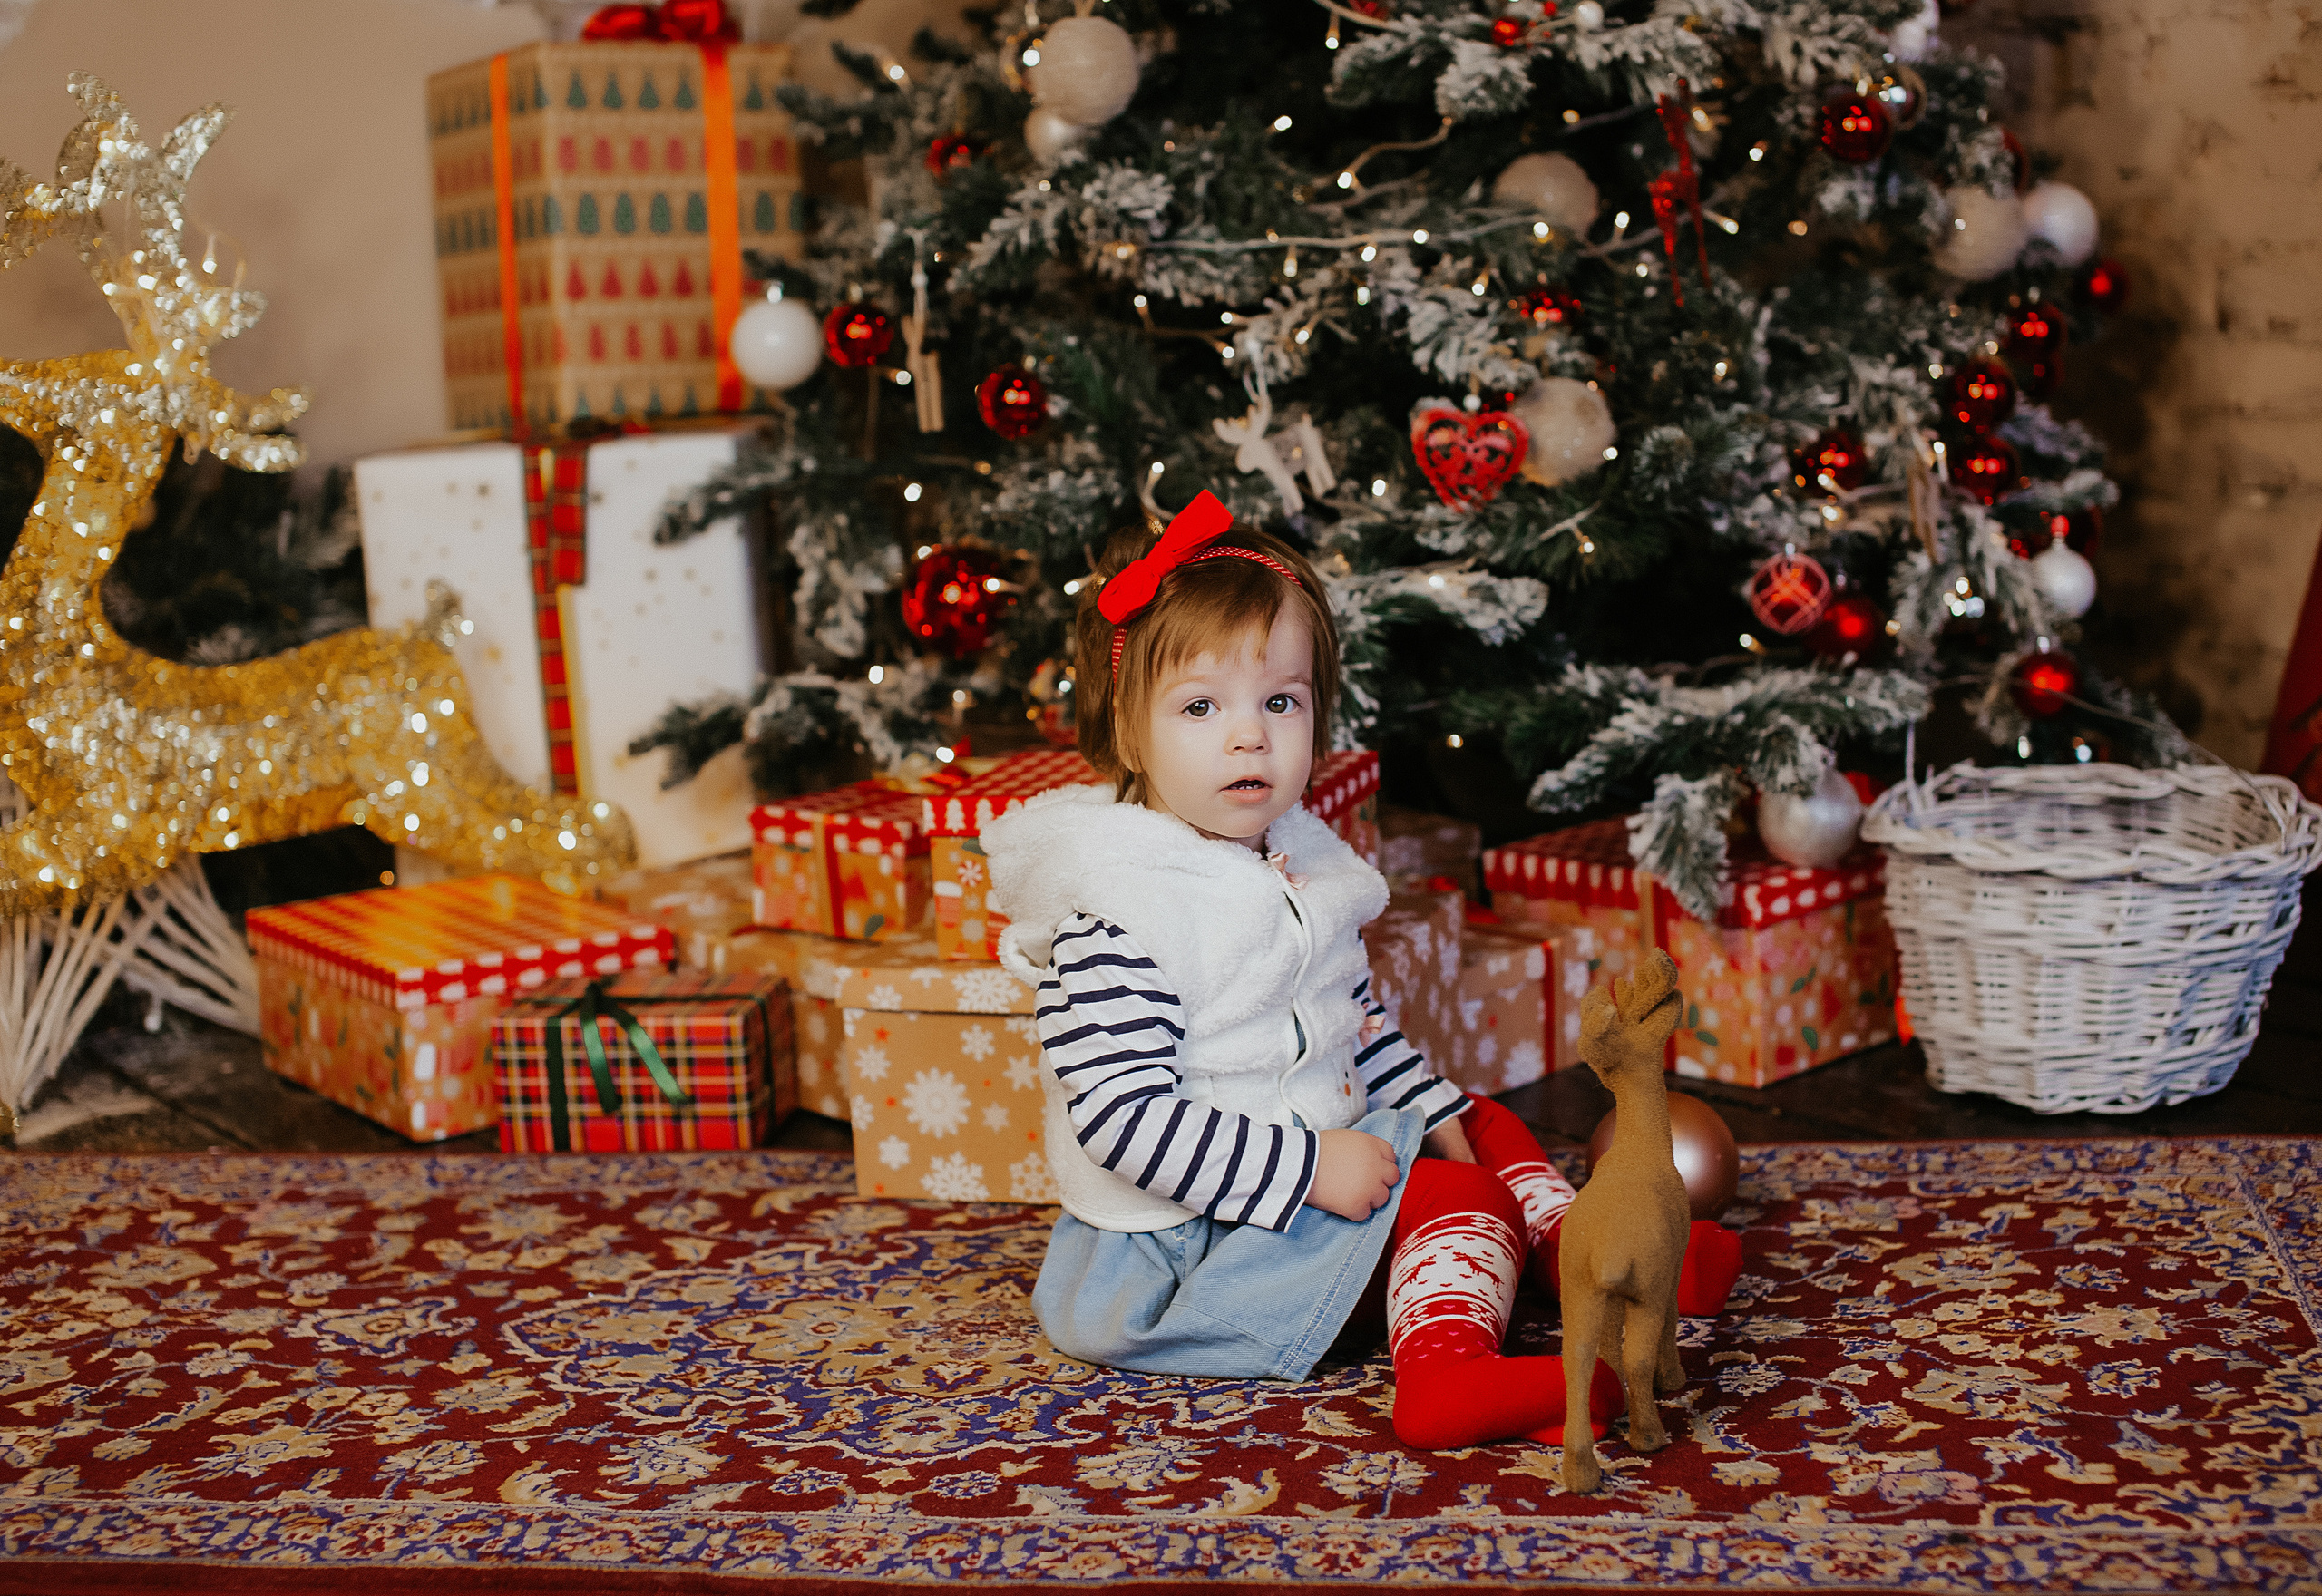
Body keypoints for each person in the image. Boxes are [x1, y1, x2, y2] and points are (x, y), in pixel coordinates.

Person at [982, 491, 1738, 1450]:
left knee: (1472, 1117)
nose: (1248, 734)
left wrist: (1428, 1109)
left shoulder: (1290, 857)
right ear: (1130, 734)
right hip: (1189, 1247)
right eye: (1201, 706)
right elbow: (1123, 1120)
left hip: (1294, 1176)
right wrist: (1307, 1170)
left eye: (1280, 701)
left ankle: (1576, 1252)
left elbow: (1353, 1024)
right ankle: (1447, 1379)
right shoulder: (1120, 914)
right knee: (1446, 1193)